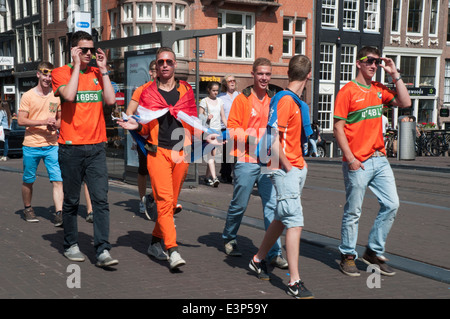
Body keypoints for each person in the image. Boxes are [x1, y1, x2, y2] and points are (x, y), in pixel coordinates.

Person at [117, 47, 222, 271]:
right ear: (155, 66)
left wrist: (206, 135)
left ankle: (155, 242)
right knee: (164, 201)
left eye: (169, 62)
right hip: (157, 153)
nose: (165, 65)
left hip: (180, 154)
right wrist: (135, 124)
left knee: (171, 204)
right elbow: (144, 124)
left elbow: (191, 121)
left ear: (174, 65)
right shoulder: (147, 92)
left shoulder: (185, 91)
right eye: (161, 62)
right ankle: (172, 249)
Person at [334, 46, 411, 277]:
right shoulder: (347, 91)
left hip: (379, 159)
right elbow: (337, 127)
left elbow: (405, 102)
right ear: (359, 63)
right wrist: (350, 159)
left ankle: (373, 251)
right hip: (358, 161)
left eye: (377, 62)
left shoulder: (379, 89)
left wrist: (394, 74)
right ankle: (348, 255)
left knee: (392, 204)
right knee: (353, 210)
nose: (373, 65)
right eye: (369, 61)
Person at [52, 31, 118, 268]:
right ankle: (71, 244)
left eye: (91, 49)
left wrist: (105, 70)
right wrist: (76, 66)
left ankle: (102, 250)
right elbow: (69, 96)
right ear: (73, 50)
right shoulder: (60, 73)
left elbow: (110, 101)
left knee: (101, 200)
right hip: (70, 149)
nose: (89, 53)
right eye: (84, 50)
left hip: (96, 147)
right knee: (71, 201)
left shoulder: (98, 74)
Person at [249, 54, 314, 299]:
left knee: (280, 216)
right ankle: (294, 282)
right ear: (308, 75)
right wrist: (288, 166)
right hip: (286, 169)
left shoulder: (291, 100)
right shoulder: (286, 101)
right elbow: (273, 140)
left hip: (294, 167)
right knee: (294, 222)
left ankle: (257, 259)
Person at [221, 58, 288, 269]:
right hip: (246, 158)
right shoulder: (243, 99)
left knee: (272, 206)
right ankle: (230, 237)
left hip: (269, 161)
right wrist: (256, 140)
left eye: (268, 74)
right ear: (253, 74)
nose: (264, 78)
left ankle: (274, 251)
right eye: (260, 74)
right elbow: (232, 129)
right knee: (239, 203)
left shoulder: (274, 99)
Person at [16, 62, 63, 225]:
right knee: (29, 179)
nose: (48, 78)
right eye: (45, 75)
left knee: (58, 180)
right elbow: (21, 120)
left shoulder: (56, 96)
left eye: (51, 76)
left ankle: (59, 212)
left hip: (52, 144)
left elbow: (60, 121)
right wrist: (44, 121)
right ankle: (28, 208)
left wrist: (55, 124)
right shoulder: (28, 96)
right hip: (31, 144)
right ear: (38, 74)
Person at [126, 60, 158, 219]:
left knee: (163, 171)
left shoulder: (169, 89)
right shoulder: (142, 90)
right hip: (145, 136)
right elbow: (129, 111)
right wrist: (136, 130)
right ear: (150, 72)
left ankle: (153, 198)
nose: (157, 72)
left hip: (163, 138)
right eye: (154, 70)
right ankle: (142, 199)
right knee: (144, 170)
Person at [199, 81, 227, 187]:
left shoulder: (220, 101)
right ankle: (215, 178)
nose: (215, 92)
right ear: (209, 90)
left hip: (217, 130)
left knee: (213, 155)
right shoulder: (204, 101)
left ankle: (206, 177)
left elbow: (223, 116)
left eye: (217, 91)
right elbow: (199, 117)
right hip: (208, 131)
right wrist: (206, 118)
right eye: (213, 90)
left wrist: (229, 127)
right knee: (211, 154)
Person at [217, 75, 239, 183]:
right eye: (230, 81)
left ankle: (236, 173)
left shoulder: (239, 95)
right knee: (226, 152)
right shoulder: (220, 97)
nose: (232, 82)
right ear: (225, 83)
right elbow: (221, 114)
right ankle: (225, 174)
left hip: (237, 127)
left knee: (236, 151)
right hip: (224, 127)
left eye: (233, 80)